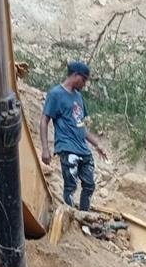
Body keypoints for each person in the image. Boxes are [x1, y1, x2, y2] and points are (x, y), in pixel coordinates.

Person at [40, 61, 108, 211]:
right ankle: (68, 215)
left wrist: (97, 144)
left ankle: (84, 215)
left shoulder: (78, 97)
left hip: (82, 148)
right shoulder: (56, 94)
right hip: (67, 146)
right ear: (75, 75)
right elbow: (44, 120)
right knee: (70, 186)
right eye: (83, 80)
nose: (84, 84)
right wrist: (45, 148)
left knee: (89, 185)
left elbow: (80, 126)